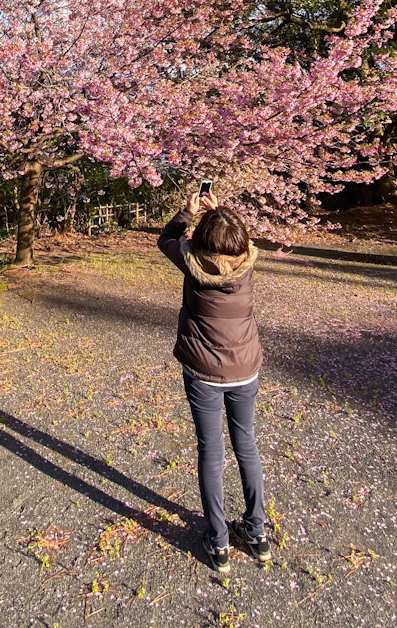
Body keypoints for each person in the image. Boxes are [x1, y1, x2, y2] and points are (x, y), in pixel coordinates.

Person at [157, 189, 271, 575]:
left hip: (203, 372)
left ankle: (219, 541)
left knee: (211, 450)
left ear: (202, 242)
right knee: (247, 447)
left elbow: (167, 239)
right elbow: (241, 242)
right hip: (245, 369)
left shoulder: (191, 262)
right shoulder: (248, 264)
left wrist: (189, 213)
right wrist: (221, 211)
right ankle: (256, 535)